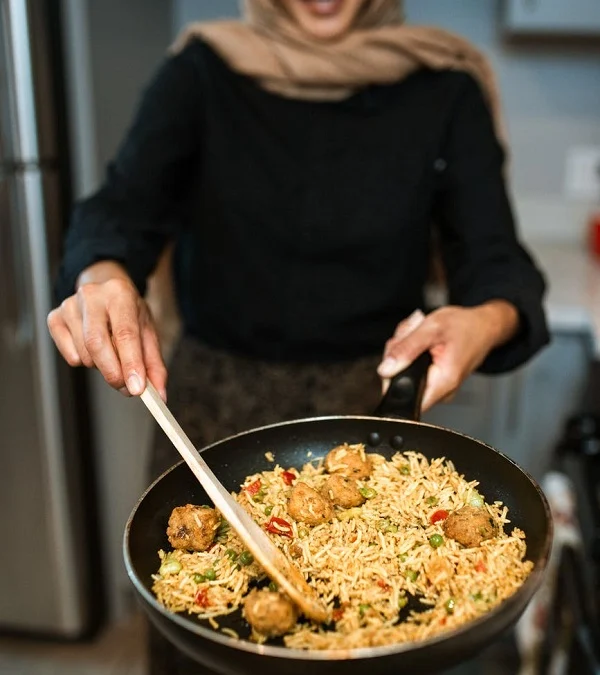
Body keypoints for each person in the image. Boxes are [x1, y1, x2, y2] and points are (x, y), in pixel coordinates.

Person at [48, 1, 549, 672]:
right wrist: (103, 275)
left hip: (370, 410)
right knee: (201, 643)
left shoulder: (443, 86)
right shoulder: (203, 71)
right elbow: (118, 211)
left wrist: (483, 319)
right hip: (210, 411)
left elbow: (496, 262)